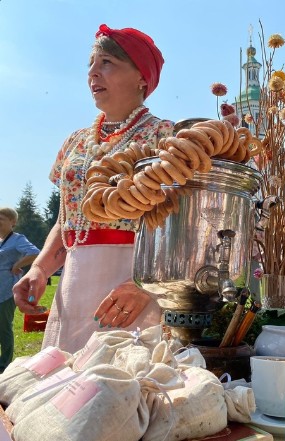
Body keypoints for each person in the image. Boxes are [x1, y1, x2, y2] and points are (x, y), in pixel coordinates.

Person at [13, 24, 173, 353]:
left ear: (142, 77)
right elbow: (66, 221)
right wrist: (41, 268)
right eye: (91, 63)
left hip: (130, 289)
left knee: (122, 390)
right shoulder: (74, 142)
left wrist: (147, 285)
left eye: (107, 63)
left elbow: (182, 227)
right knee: (64, 390)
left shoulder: (165, 137)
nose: (92, 73)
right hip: (73, 285)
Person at [0, 208, 40, 372]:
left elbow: (34, 252)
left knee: (3, 326)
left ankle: (4, 364)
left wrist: (17, 265)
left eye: (1, 219)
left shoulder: (17, 239)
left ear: (13, 222)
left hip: (7, 290)